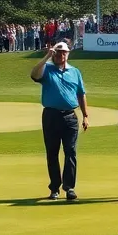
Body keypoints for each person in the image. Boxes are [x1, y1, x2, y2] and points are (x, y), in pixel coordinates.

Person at [30, 41, 89, 200]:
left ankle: (69, 187)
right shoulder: (47, 69)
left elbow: (81, 94)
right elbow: (34, 74)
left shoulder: (75, 72)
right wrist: (46, 57)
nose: (60, 55)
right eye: (57, 52)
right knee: (52, 152)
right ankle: (54, 188)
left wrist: (85, 115)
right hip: (51, 116)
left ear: (68, 54)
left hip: (70, 116)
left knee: (70, 151)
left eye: (63, 52)